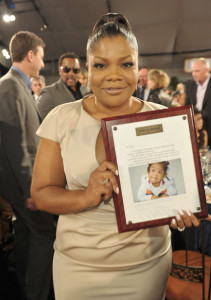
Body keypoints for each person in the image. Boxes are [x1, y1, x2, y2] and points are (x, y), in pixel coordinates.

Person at [31, 13, 200, 300]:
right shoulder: (62, 119)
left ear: (138, 68)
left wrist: (179, 207)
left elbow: (176, 188)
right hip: (77, 268)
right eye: (100, 65)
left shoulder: (164, 120)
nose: (113, 75)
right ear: (88, 69)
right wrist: (86, 196)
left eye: (126, 64)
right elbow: (42, 194)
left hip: (146, 266)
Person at [0, 31, 56, 300]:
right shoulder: (10, 86)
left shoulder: (16, 85)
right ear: (30, 55)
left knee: (24, 235)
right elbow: (15, 145)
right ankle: (36, 293)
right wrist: (31, 190)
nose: (43, 64)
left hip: (20, 186)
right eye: (42, 57)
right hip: (23, 186)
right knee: (45, 234)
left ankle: (24, 284)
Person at [37, 52, 87, 120]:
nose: (71, 73)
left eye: (75, 70)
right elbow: (44, 125)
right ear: (59, 71)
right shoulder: (48, 93)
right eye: (67, 69)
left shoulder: (86, 91)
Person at [185, 58, 211, 146]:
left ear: (207, 70)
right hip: (196, 127)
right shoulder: (191, 85)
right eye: (193, 71)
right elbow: (187, 105)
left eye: (197, 71)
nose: (193, 74)